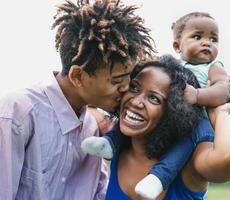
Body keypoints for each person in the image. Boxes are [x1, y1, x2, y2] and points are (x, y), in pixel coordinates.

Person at [0, 0, 154, 199]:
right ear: (77, 77)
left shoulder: (90, 128)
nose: (126, 89)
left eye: (128, 77)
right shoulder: (17, 113)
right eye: (117, 80)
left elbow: (99, 192)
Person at [81, 11, 230, 199]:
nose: (206, 42)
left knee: (184, 145)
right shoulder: (172, 68)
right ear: (177, 45)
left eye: (213, 39)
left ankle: (159, 178)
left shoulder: (213, 67)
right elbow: (89, 100)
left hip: (196, 125)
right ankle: (110, 143)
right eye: (197, 36)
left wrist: (220, 112)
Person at [86, 55, 230, 199]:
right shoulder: (115, 143)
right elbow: (82, 93)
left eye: (154, 98)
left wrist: (220, 113)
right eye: (134, 88)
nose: (136, 102)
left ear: (174, 111)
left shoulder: (189, 162)